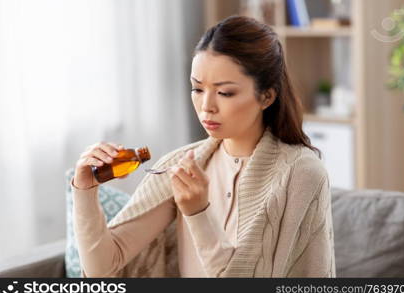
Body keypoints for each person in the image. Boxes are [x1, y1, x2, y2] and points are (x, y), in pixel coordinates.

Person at [71, 15, 336, 278]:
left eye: (225, 92)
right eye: (197, 89)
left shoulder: (301, 173)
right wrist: (84, 189)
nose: (207, 106)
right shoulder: (179, 166)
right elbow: (101, 269)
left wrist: (198, 213)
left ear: (266, 96)